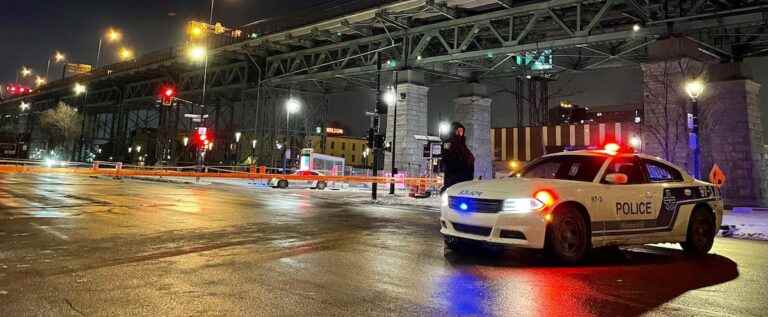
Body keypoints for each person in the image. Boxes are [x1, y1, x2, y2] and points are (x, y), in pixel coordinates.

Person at [441, 122, 475, 193]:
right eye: (458, 131)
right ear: (454, 131)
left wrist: (469, 161)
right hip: (453, 175)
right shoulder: (448, 143)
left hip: (465, 175)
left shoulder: (462, 144)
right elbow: (446, 157)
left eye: (462, 131)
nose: (460, 133)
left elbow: (468, 156)